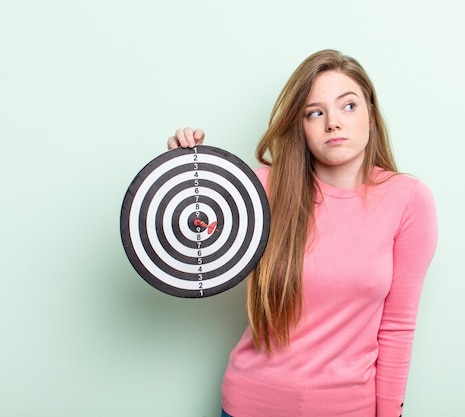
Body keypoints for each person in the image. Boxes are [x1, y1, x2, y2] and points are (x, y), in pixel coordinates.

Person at [167, 49, 438, 417]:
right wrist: (184, 172)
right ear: (301, 125)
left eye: (348, 106)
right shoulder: (261, 189)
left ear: (371, 115)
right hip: (250, 403)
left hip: (347, 409)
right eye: (315, 112)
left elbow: (397, 327)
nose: (333, 123)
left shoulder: (408, 200)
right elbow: (192, 245)